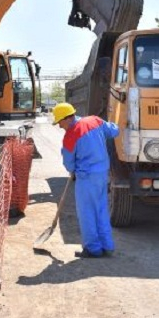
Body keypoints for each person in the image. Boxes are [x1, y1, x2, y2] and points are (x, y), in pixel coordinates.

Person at [53, 102, 120, 258]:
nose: (59, 126)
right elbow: (114, 131)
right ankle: (107, 246)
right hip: (103, 175)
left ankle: (93, 249)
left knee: (87, 213)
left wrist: (73, 170)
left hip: (87, 178)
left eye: (59, 122)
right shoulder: (95, 120)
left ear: (66, 118)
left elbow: (69, 164)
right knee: (101, 209)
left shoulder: (70, 136)